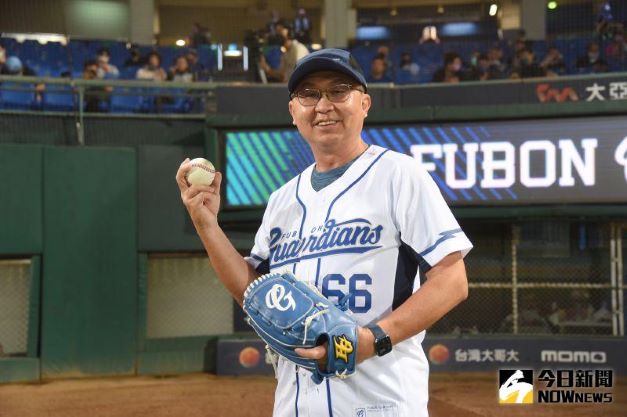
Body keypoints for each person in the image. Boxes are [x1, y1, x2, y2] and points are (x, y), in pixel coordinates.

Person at [176, 48, 471, 417]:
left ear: (364, 104)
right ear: (293, 112)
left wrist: (371, 340)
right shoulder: (281, 200)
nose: (323, 105)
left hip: (381, 403)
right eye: (309, 94)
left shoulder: (399, 176)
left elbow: (453, 280)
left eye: (338, 90)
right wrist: (206, 224)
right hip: (295, 405)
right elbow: (252, 293)